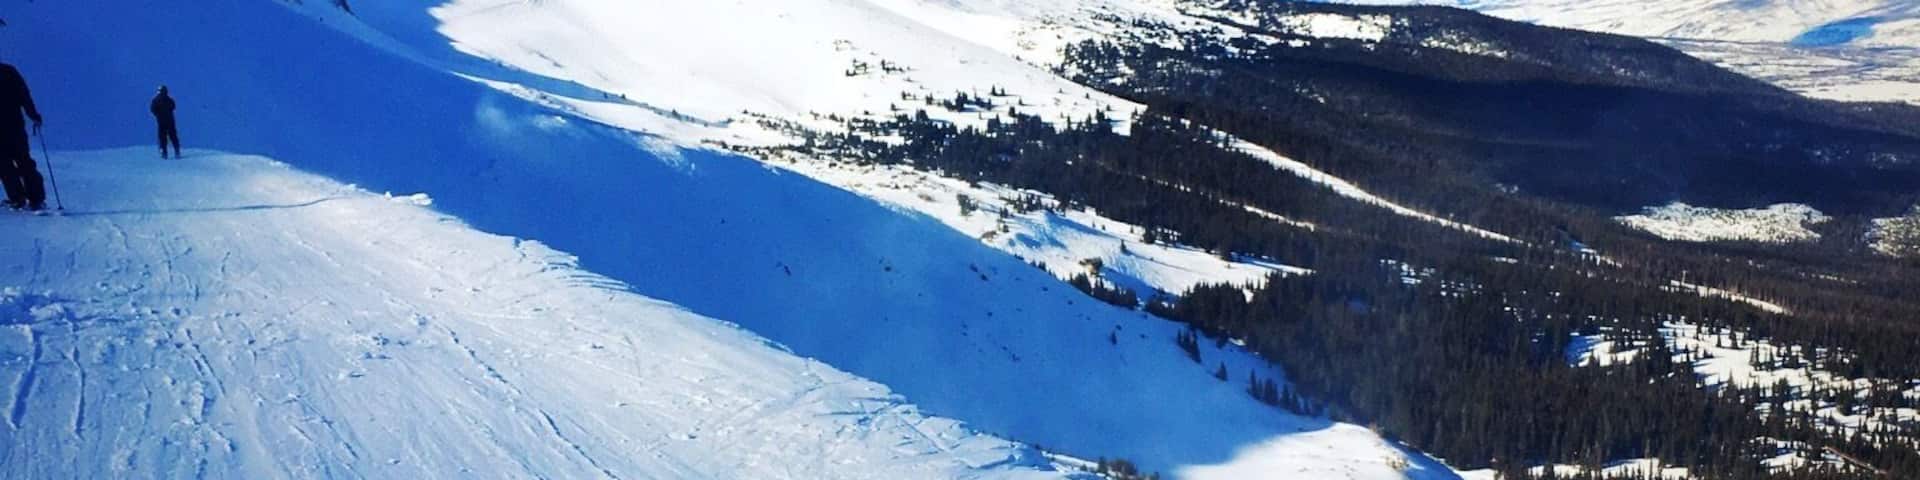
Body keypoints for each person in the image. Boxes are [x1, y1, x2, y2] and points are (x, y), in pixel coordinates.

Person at [0, 62, 44, 211]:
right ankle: (35, 199)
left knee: (5, 164)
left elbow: (24, 95)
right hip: (15, 127)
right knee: (22, 160)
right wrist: (33, 115)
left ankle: (18, 198)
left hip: (9, 128)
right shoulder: (10, 72)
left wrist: (33, 115)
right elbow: (24, 95)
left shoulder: (9, 71)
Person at [152, 86, 180, 159]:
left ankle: (164, 153)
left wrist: (158, 114)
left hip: (161, 122)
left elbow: (152, 109)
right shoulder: (169, 100)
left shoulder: (156, 100)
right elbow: (173, 106)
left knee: (162, 137)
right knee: (173, 136)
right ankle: (177, 151)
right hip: (170, 121)